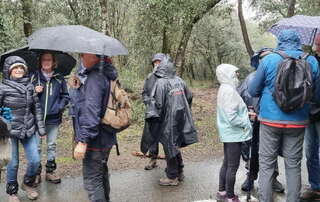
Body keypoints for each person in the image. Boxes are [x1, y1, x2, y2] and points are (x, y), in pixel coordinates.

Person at [249, 29, 319, 202]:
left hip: (270, 121)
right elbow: (316, 96)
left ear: (280, 41)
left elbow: (253, 90)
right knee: (293, 165)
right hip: (298, 122)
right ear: (298, 41)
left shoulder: (269, 59)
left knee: (266, 165)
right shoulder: (311, 61)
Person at [140, 55, 198, 186]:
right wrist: (184, 110)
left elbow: (158, 104)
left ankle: (172, 177)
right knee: (174, 145)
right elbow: (189, 96)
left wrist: (153, 117)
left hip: (166, 121)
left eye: (158, 64)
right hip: (180, 119)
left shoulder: (161, 83)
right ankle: (180, 171)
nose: (156, 65)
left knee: (169, 146)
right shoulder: (179, 80)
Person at [70, 53, 118, 202]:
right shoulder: (106, 73)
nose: (82, 58)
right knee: (101, 173)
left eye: (84, 55)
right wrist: (78, 88)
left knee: (93, 181)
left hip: (95, 140)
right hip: (107, 136)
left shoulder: (94, 78)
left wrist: (83, 142)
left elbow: (91, 113)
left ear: (95, 57)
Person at [237, 51, 284, 193]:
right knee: (252, 148)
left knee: (271, 150)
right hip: (252, 121)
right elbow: (241, 98)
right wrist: (248, 113)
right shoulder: (250, 78)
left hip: (270, 119)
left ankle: (273, 178)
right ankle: (250, 176)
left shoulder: (279, 76)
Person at [1, 56, 46, 202]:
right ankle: (12, 192)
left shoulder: (30, 86)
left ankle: (27, 183)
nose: (19, 70)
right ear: (9, 71)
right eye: (16, 68)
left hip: (29, 128)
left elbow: (37, 109)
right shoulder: (2, 87)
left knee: (35, 160)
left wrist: (41, 130)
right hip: (10, 130)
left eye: (22, 68)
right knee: (13, 163)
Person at [215, 64, 252, 202]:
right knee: (232, 166)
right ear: (228, 74)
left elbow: (231, 111)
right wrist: (246, 122)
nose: (238, 75)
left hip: (228, 133)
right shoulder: (229, 91)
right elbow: (231, 117)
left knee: (226, 163)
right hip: (233, 134)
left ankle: (222, 192)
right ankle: (230, 197)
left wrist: (246, 114)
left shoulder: (224, 88)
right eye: (235, 72)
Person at [32, 52, 69, 184]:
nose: (46, 62)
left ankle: (50, 171)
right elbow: (25, 95)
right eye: (44, 60)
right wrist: (33, 91)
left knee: (51, 145)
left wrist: (58, 107)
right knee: (36, 146)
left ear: (54, 62)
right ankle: (36, 173)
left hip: (53, 119)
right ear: (40, 61)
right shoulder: (34, 77)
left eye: (49, 60)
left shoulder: (59, 78)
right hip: (36, 118)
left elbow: (66, 96)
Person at [300, 33, 320, 201]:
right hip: (310, 113)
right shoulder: (311, 61)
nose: (317, 45)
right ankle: (316, 186)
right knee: (310, 151)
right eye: (316, 42)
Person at [142, 53, 165, 170]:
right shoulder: (149, 77)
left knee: (167, 137)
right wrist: (149, 102)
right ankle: (153, 159)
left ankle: (173, 164)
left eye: (159, 62)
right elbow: (144, 92)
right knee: (152, 136)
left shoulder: (168, 77)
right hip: (153, 112)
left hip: (166, 113)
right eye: (155, 62)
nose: (157, 64)